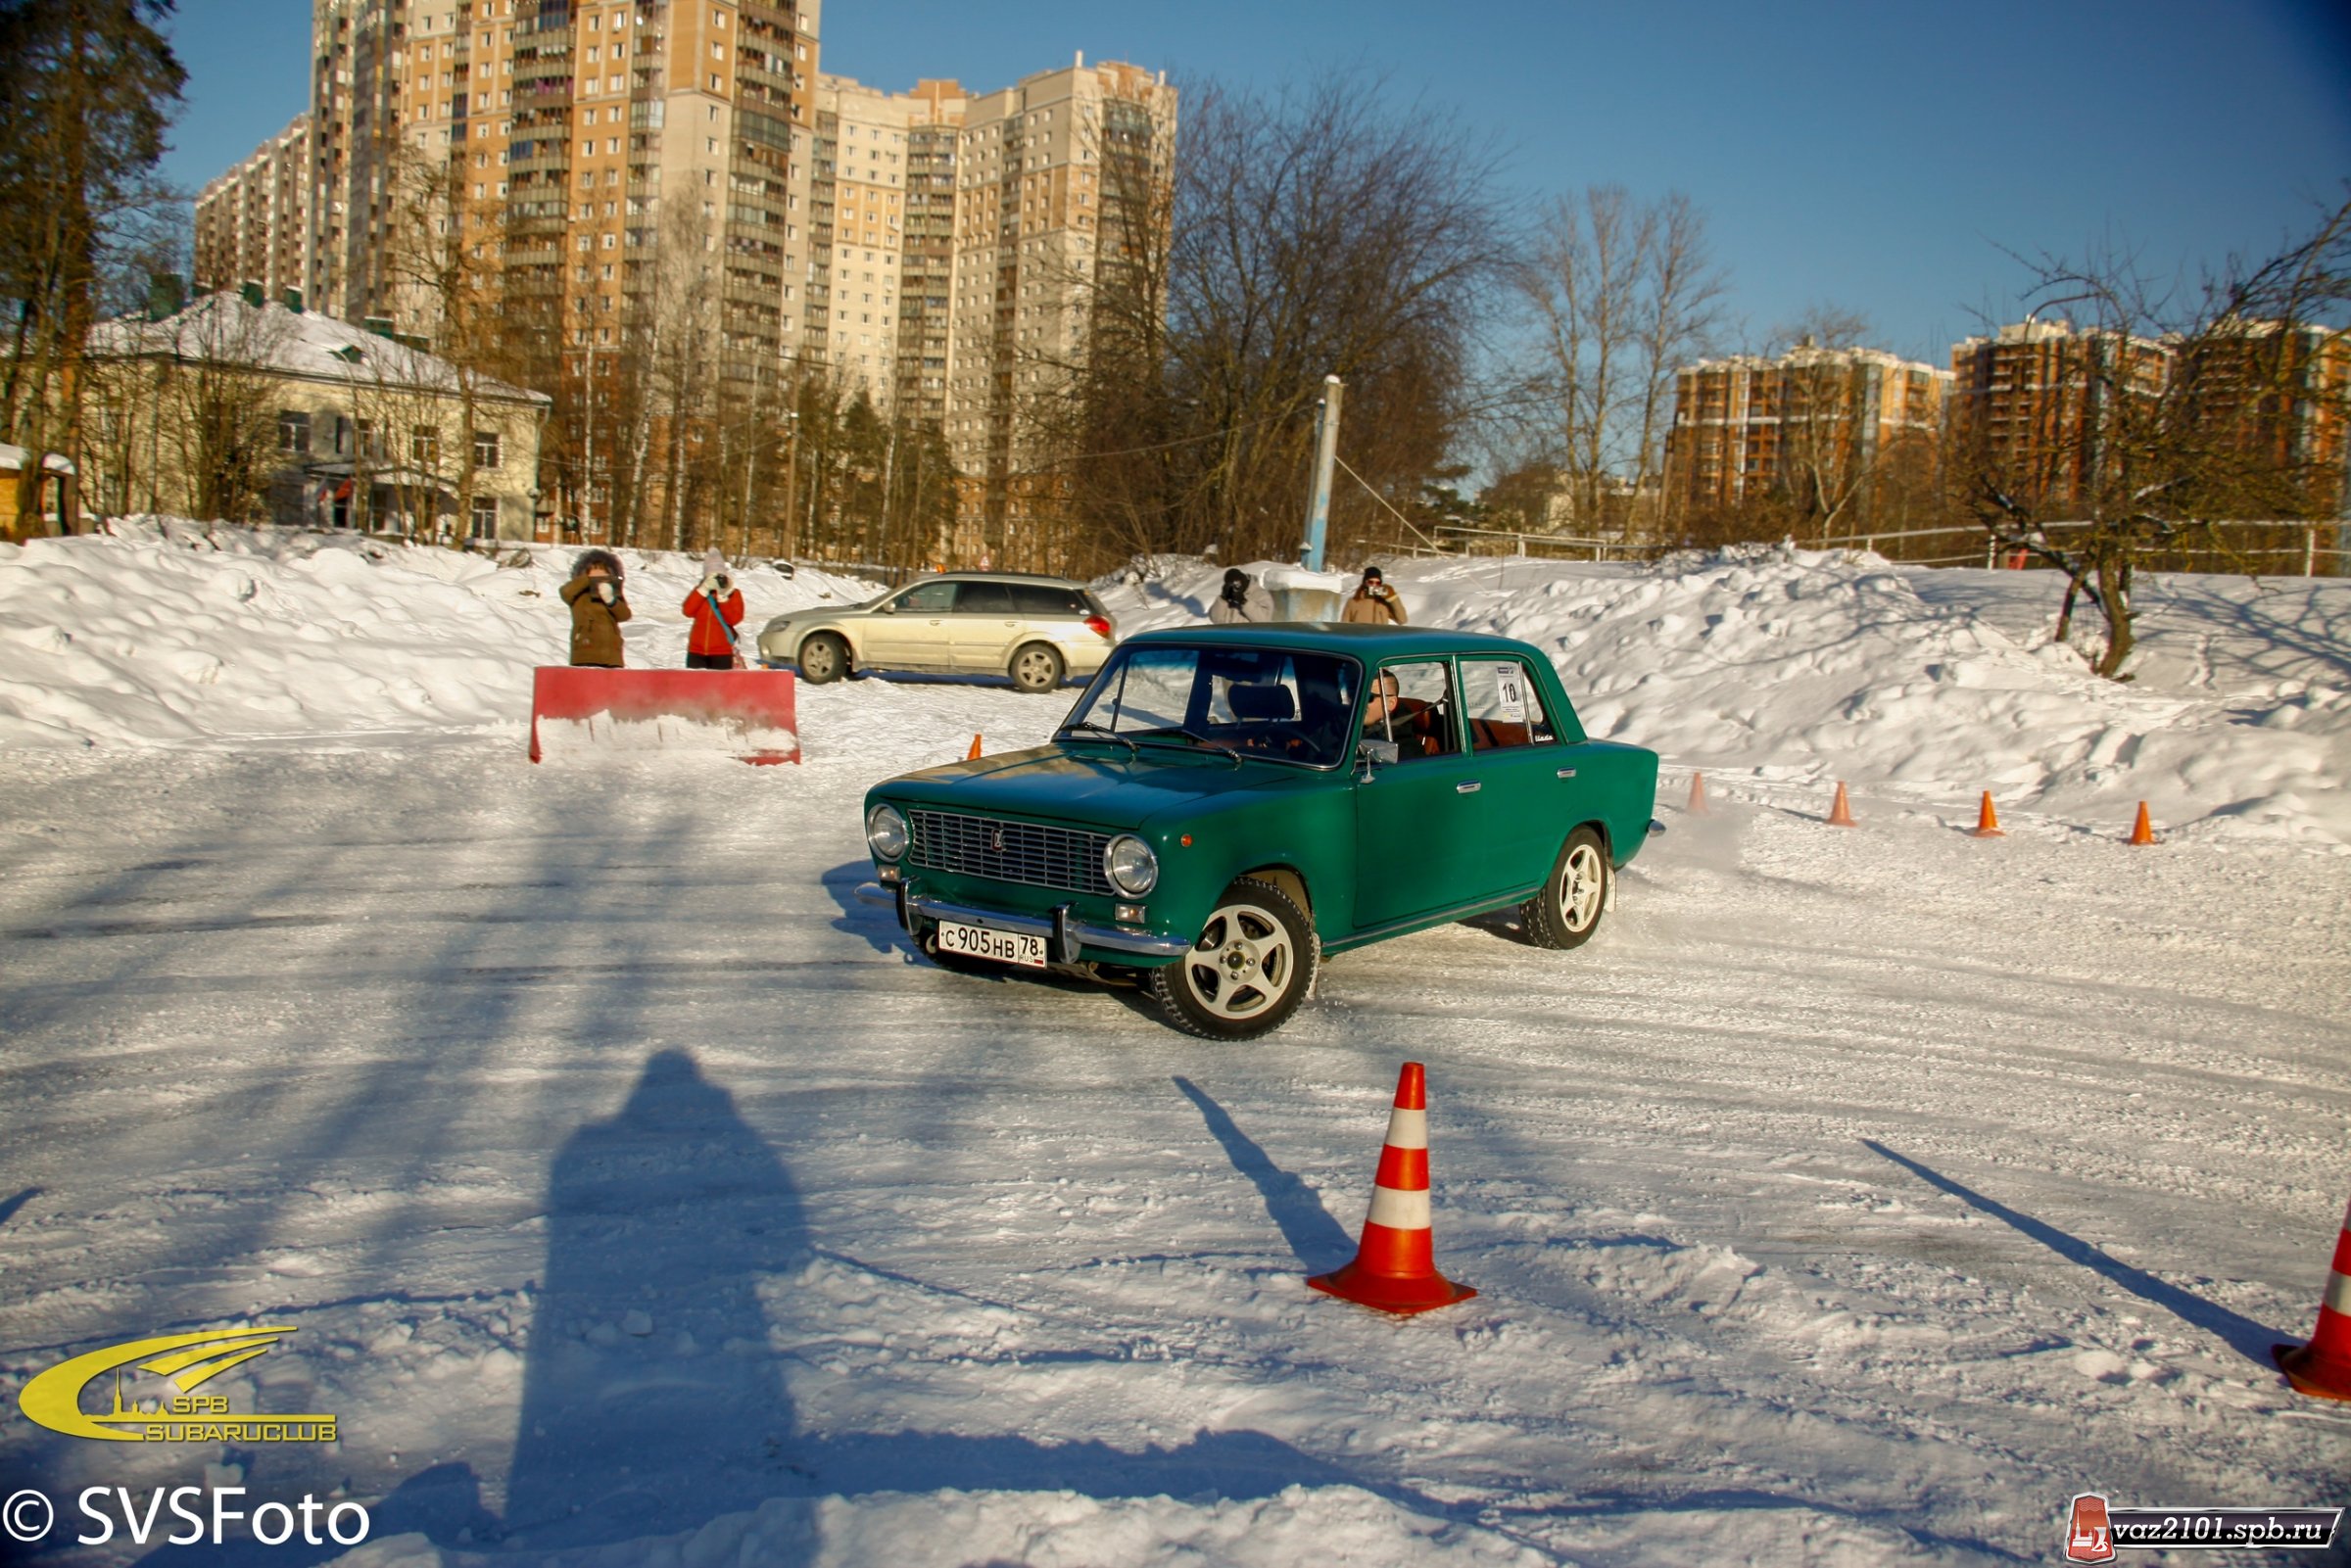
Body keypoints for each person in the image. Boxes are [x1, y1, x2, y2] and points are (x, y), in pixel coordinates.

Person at [561, 548, 631, 668]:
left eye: (603, 571)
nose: (598, 574)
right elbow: (565, 592)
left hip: (611, 656)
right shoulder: (579, 594)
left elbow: (625, 615)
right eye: (593, 570)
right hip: (585, 652)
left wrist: (611, 600)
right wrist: (586, 580)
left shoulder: (613, 592)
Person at [684, 548, 745, 669]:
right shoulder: (701, 592)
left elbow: (734, 619)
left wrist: (722, 597)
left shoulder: (733, 593)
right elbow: (688, 611)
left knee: (719, 687)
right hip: (696, 651)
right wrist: (703, 590)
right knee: (695, 687)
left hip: (721, 652)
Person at [1341, 564, 1407, 625]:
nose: (1374, 585)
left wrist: (1393, 598)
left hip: (1379, 637)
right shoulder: (1352, 602)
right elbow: (1344, 627)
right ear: (1365, 582)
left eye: (1377, 583)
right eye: (1371, 582)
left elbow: (1402, 620)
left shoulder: (1384, 602)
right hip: (1360, 637)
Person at [1208, 566, 1272, 624]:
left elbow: (1264, 620)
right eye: (1232, 584)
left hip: (1249, 636)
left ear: (1243, 580)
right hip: (1228, 636)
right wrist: (1223, 599)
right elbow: (1215, 619)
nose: (1236, 587)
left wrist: (1244, 602)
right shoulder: (1230, 596)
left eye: (1237, 583)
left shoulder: (1261, 594)